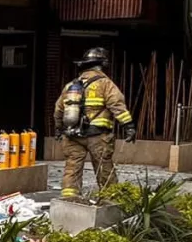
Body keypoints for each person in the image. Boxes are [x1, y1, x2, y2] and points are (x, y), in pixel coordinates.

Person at [53, 47, 136, 198]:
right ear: (101, 65)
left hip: (72, 134)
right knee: (103, 168)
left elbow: (58, 110)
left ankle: (69, 199)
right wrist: (128, 126)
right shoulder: (105, 83)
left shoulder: (70, 86)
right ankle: (111, 200)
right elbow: (117, 105)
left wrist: (58, 129)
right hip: (98, 135)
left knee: (72, 168)